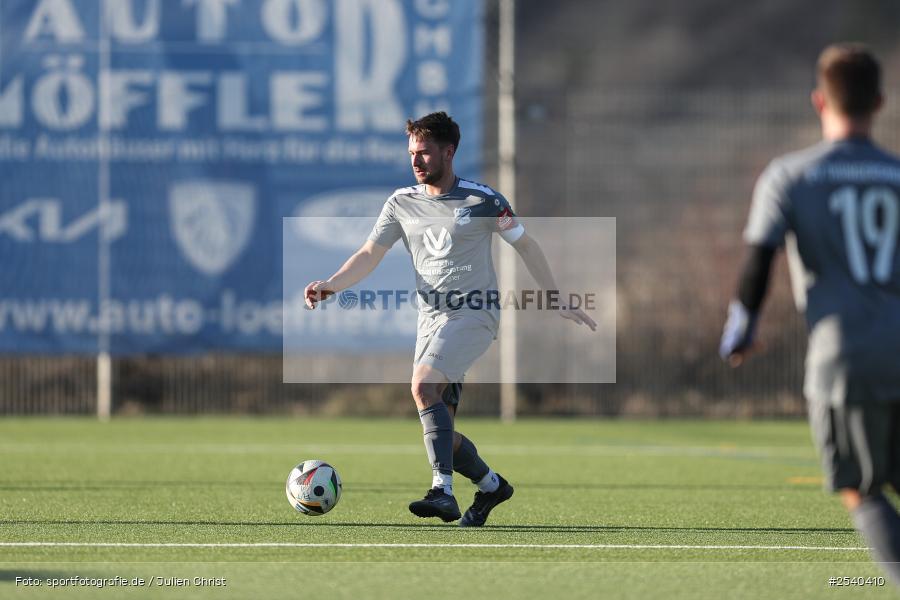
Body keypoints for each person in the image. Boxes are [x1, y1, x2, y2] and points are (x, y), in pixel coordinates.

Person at [305, 111, 596, 526]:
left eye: (423, 152)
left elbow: (526, 245)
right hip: (431, 320)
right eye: (411, 153)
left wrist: (555, 297)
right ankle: (493, 486)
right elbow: (370, 254)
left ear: (449, 151)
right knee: (443, 429)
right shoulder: (400, 203)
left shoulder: (483, 201)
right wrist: (331, 284)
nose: (416, 161)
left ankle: (442, 491)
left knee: (423, 386)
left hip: (475, 313)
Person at [720, 44, 900, 582]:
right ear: (880, 101)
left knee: (861, 489)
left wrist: (741, 329)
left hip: (843, 357)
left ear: (819, 101)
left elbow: (758, 261)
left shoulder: (790, 175)